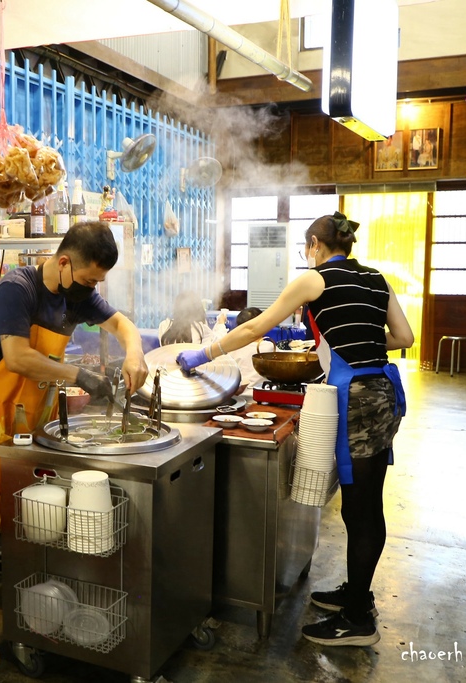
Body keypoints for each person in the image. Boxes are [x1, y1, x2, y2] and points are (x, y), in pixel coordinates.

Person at [177, 211, 414, 647]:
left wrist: (204, 353)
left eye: (307, 248)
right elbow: (404, 337)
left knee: (362, 510)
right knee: (361, 503)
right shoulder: (377, 278)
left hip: (357, 399)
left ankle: (359, 619)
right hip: (384, 394)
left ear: (314, 245)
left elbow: (253, 327)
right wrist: (357, 339)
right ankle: (355, 593)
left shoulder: (315, 279)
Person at [0, 221, 149, 667]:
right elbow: (17, 357)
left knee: (37, 522)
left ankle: (34, 616)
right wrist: (80, 376)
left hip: (41, 423)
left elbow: (122, 323)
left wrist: (136, 352)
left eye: (97, 282)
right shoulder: (16, 288)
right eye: (89, 279)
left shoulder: (76, 293)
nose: (92, 289)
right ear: (64, 263)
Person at [158, 291, 224, 346]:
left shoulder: (164, 325)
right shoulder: (200, 328)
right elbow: (219, 343)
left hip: (167, 361)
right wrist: (221, 323)